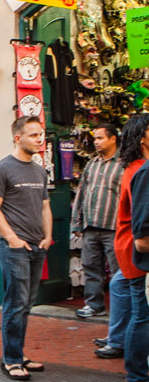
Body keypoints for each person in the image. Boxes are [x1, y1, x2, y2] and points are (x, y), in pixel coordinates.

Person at [0, 115, 52, 381]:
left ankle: (18, 353)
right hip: (14, 247)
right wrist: (11, 237)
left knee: (27, 304)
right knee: (15, 302)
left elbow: (45, 206)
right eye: (34, 135)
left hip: (38, 246)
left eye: (40, 134)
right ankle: (11, 359)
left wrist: (47, 236)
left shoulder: (39, 170)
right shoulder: (2, 169)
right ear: (17, 137)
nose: (40, 139)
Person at [94, 115, 149, 380]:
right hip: (135, 252)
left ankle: (120, 346)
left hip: (129, 248)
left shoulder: (135, 167)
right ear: (142, 138)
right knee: (141, 314)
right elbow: (141, 226)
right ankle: (136, 373)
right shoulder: (140, 169)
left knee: (126, 296)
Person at [72, 123, 123, 319]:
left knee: (118, 271)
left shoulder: (123, 164)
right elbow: (82, 193)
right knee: (91, 268)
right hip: (91, 226)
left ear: (113, 139)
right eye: (95, 138)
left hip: (113, 227)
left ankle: (120, 310)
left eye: (100, 138)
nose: (96, 142)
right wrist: (77, 223)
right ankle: (94, 305)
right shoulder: (92, 164)